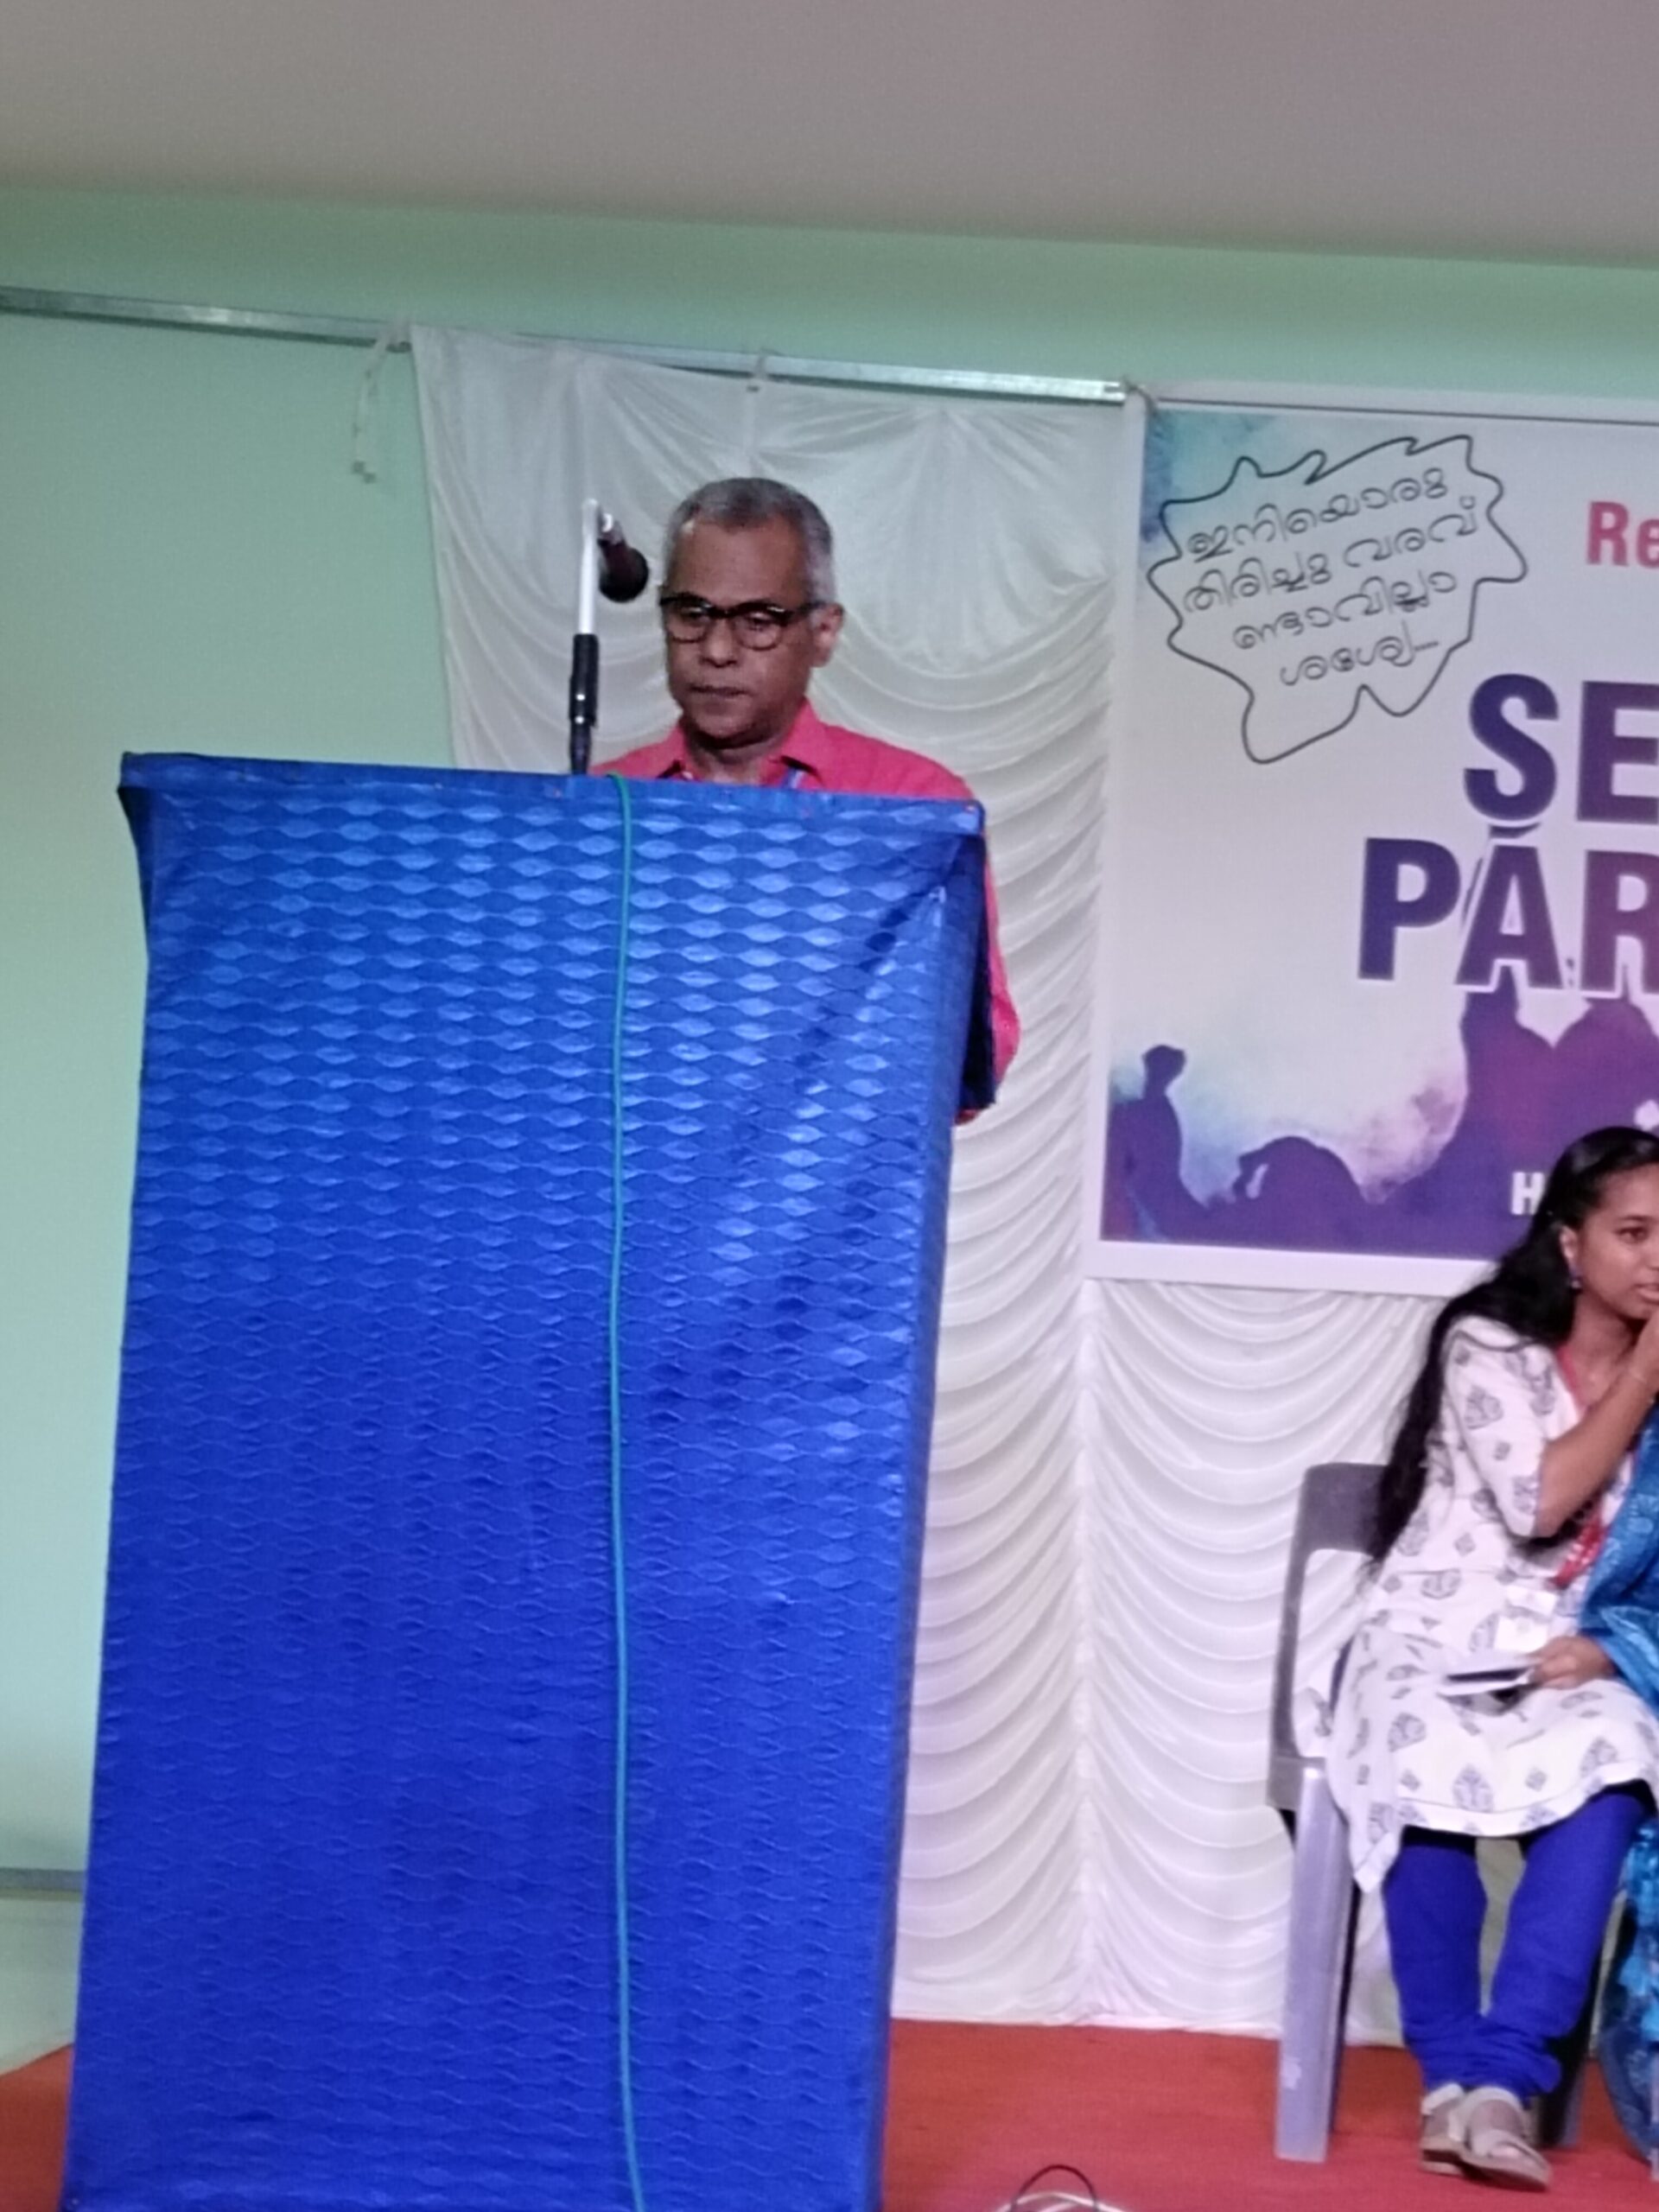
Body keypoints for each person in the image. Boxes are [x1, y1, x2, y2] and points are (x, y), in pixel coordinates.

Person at [1325, 1126, 1659, 2187]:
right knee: (1418, 1756)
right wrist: (1649, 1371)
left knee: (1619, 1761)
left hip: (1570, 1653)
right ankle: (1451, 2080)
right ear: (1570, 1243)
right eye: (1635, 1232)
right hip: (1430, 1638)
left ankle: (1502, 2082)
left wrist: (1612, 1650)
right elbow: (1540, 1499)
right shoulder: (1488, 1345)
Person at [607, 477, 1019, 1090]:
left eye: (758, 621)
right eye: (692, 613)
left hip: (833, 1152)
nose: (717, 649)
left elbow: (976, 1051)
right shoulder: (603, 806)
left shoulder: (915, 806)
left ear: (824, 632)